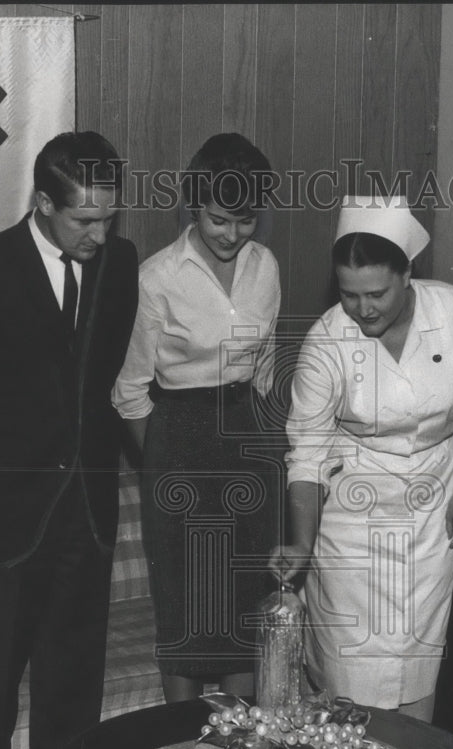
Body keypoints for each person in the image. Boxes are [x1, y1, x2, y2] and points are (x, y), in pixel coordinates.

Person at [0, 131, 139, 749]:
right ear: (43, 202)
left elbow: (103, 387)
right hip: (5, 528)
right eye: (84, 219)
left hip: (87, 517)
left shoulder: (122, 265)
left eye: (109, 218)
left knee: (72, 695)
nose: (99, 233)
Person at [269, 195, 453, 723]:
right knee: (350, 659)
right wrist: (302, 545)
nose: (364, 309)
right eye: (350, 294)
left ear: (409, 274)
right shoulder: (325, 342)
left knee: (418, 651)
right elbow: (306, 455)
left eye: (377, 292)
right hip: (352, 512)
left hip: (434, 503)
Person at [112, 132, 281, 703]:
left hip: (247, 436)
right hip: (177, 436)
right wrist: (161, 460)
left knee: (243, 593)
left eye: (246, 220)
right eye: (219, 220)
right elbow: (130, 389)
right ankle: (176, 742)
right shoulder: (158, 277)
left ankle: (238, 742)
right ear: (194, 206)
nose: (233, 235)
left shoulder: (266, 267)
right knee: (185, 597)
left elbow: (264, 365)